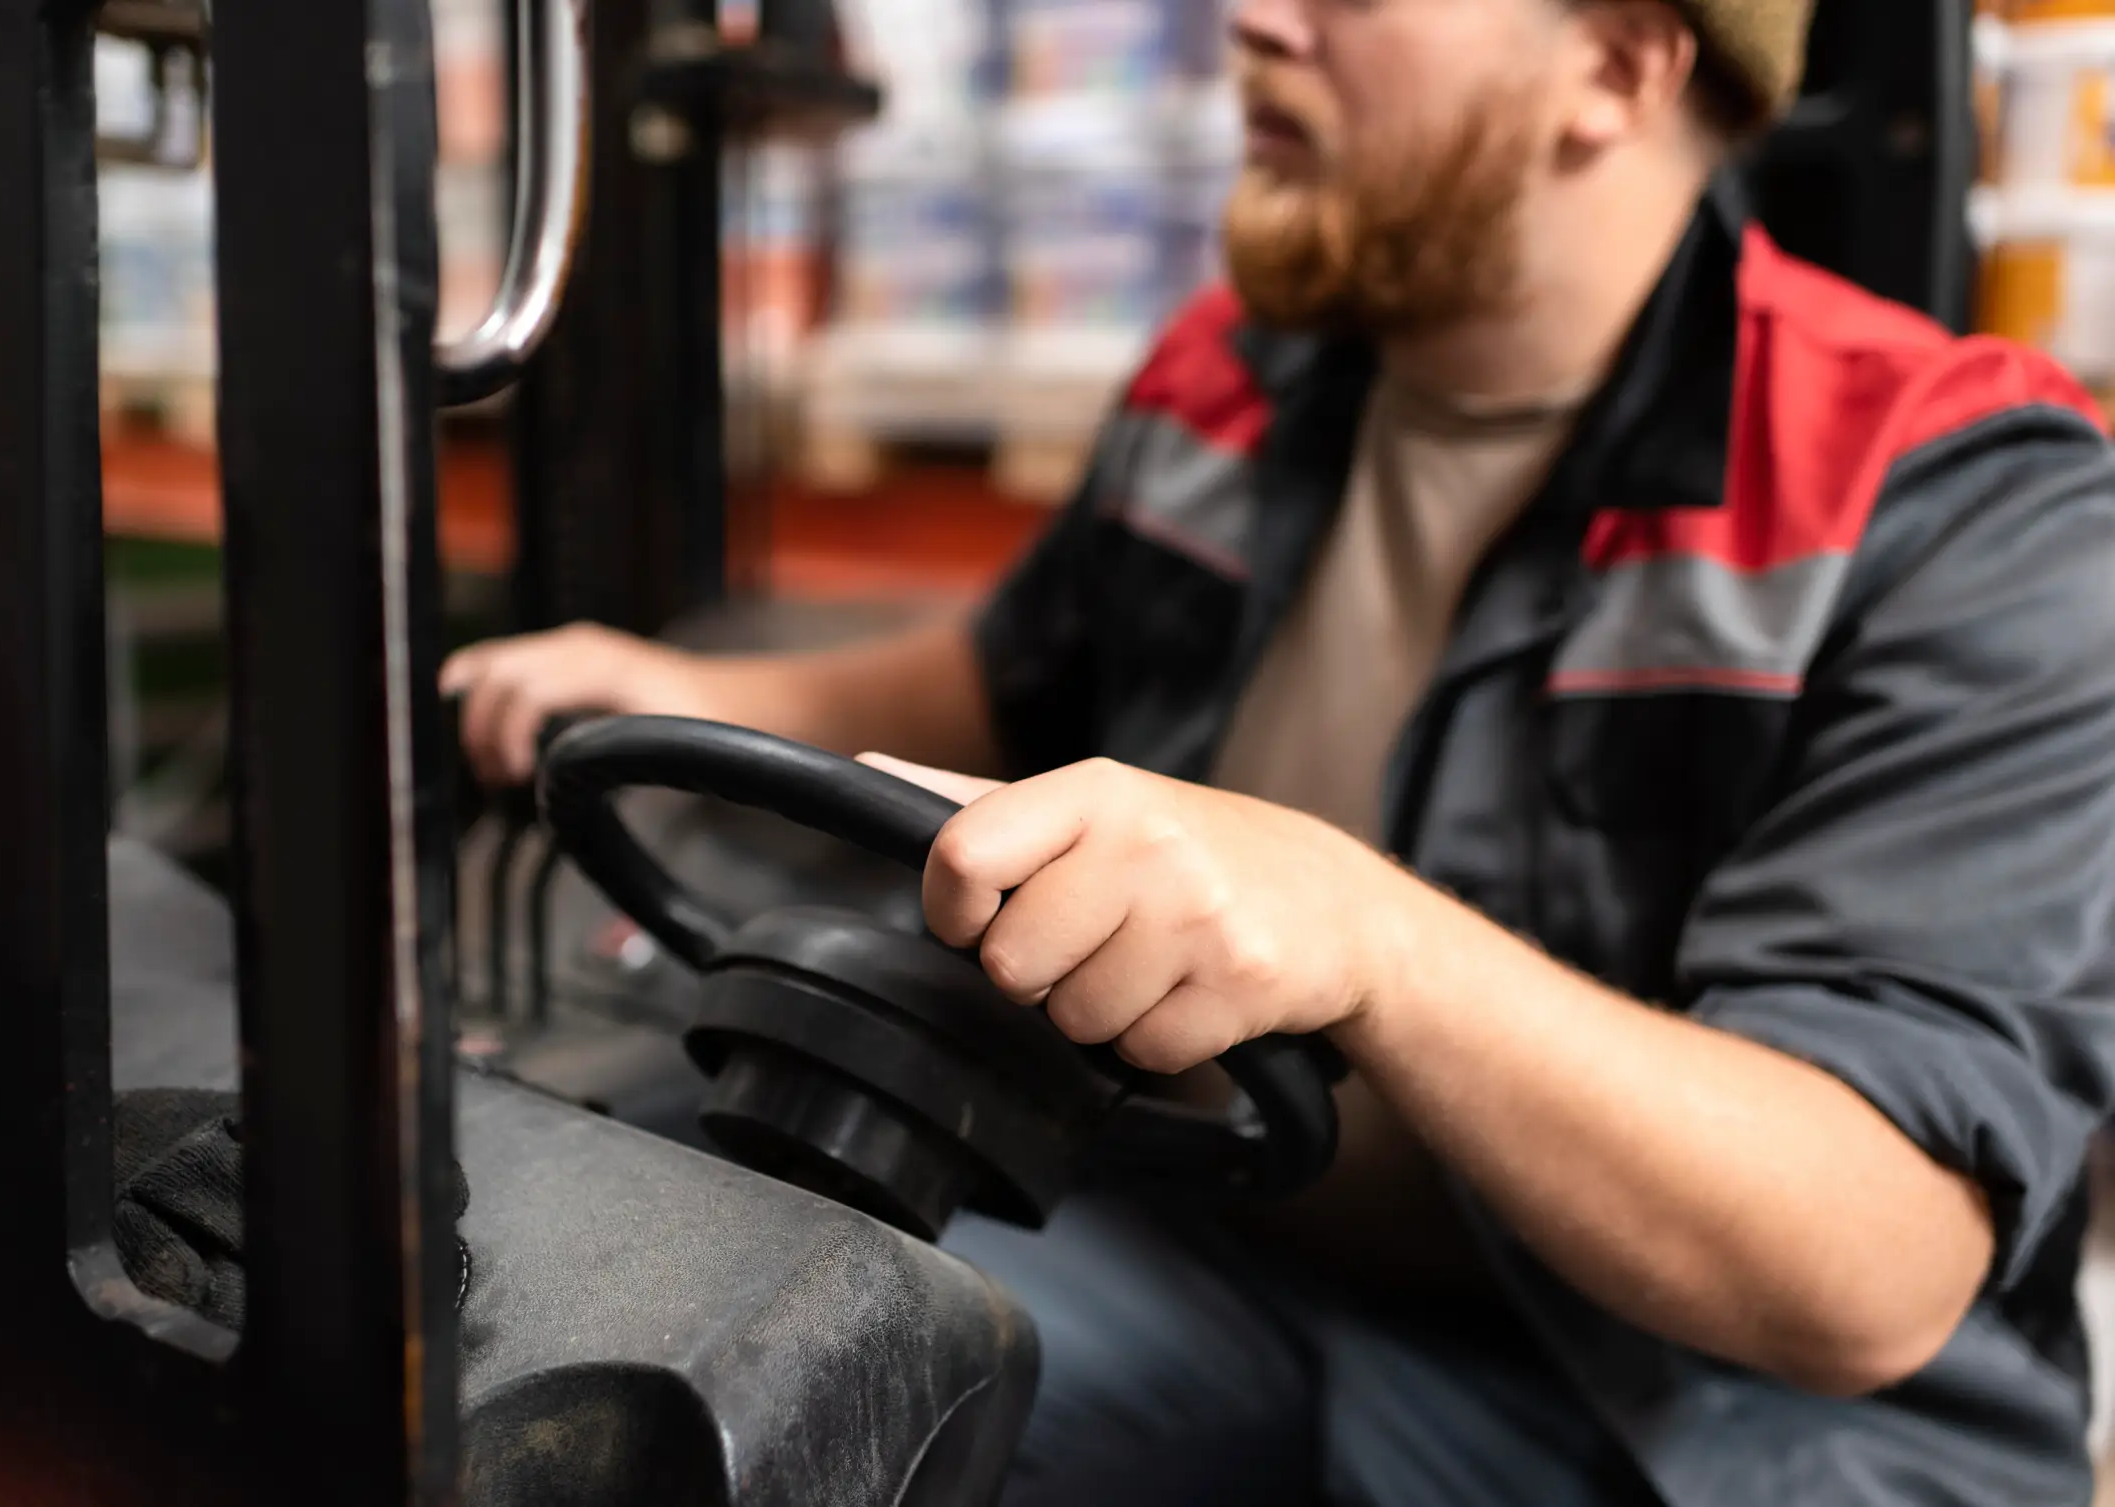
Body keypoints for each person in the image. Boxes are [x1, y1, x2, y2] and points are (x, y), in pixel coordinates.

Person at [442, 0, 2115, 1502]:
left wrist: (1360, 928)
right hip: (1232, 1259)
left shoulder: (1962, 503)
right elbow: (1014, 675)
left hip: (1690, 1418)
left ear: (1608, 69)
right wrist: (681, 690)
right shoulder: (1233, 373)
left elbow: (1866, 1270)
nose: (1252, 22)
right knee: (751, 1388)